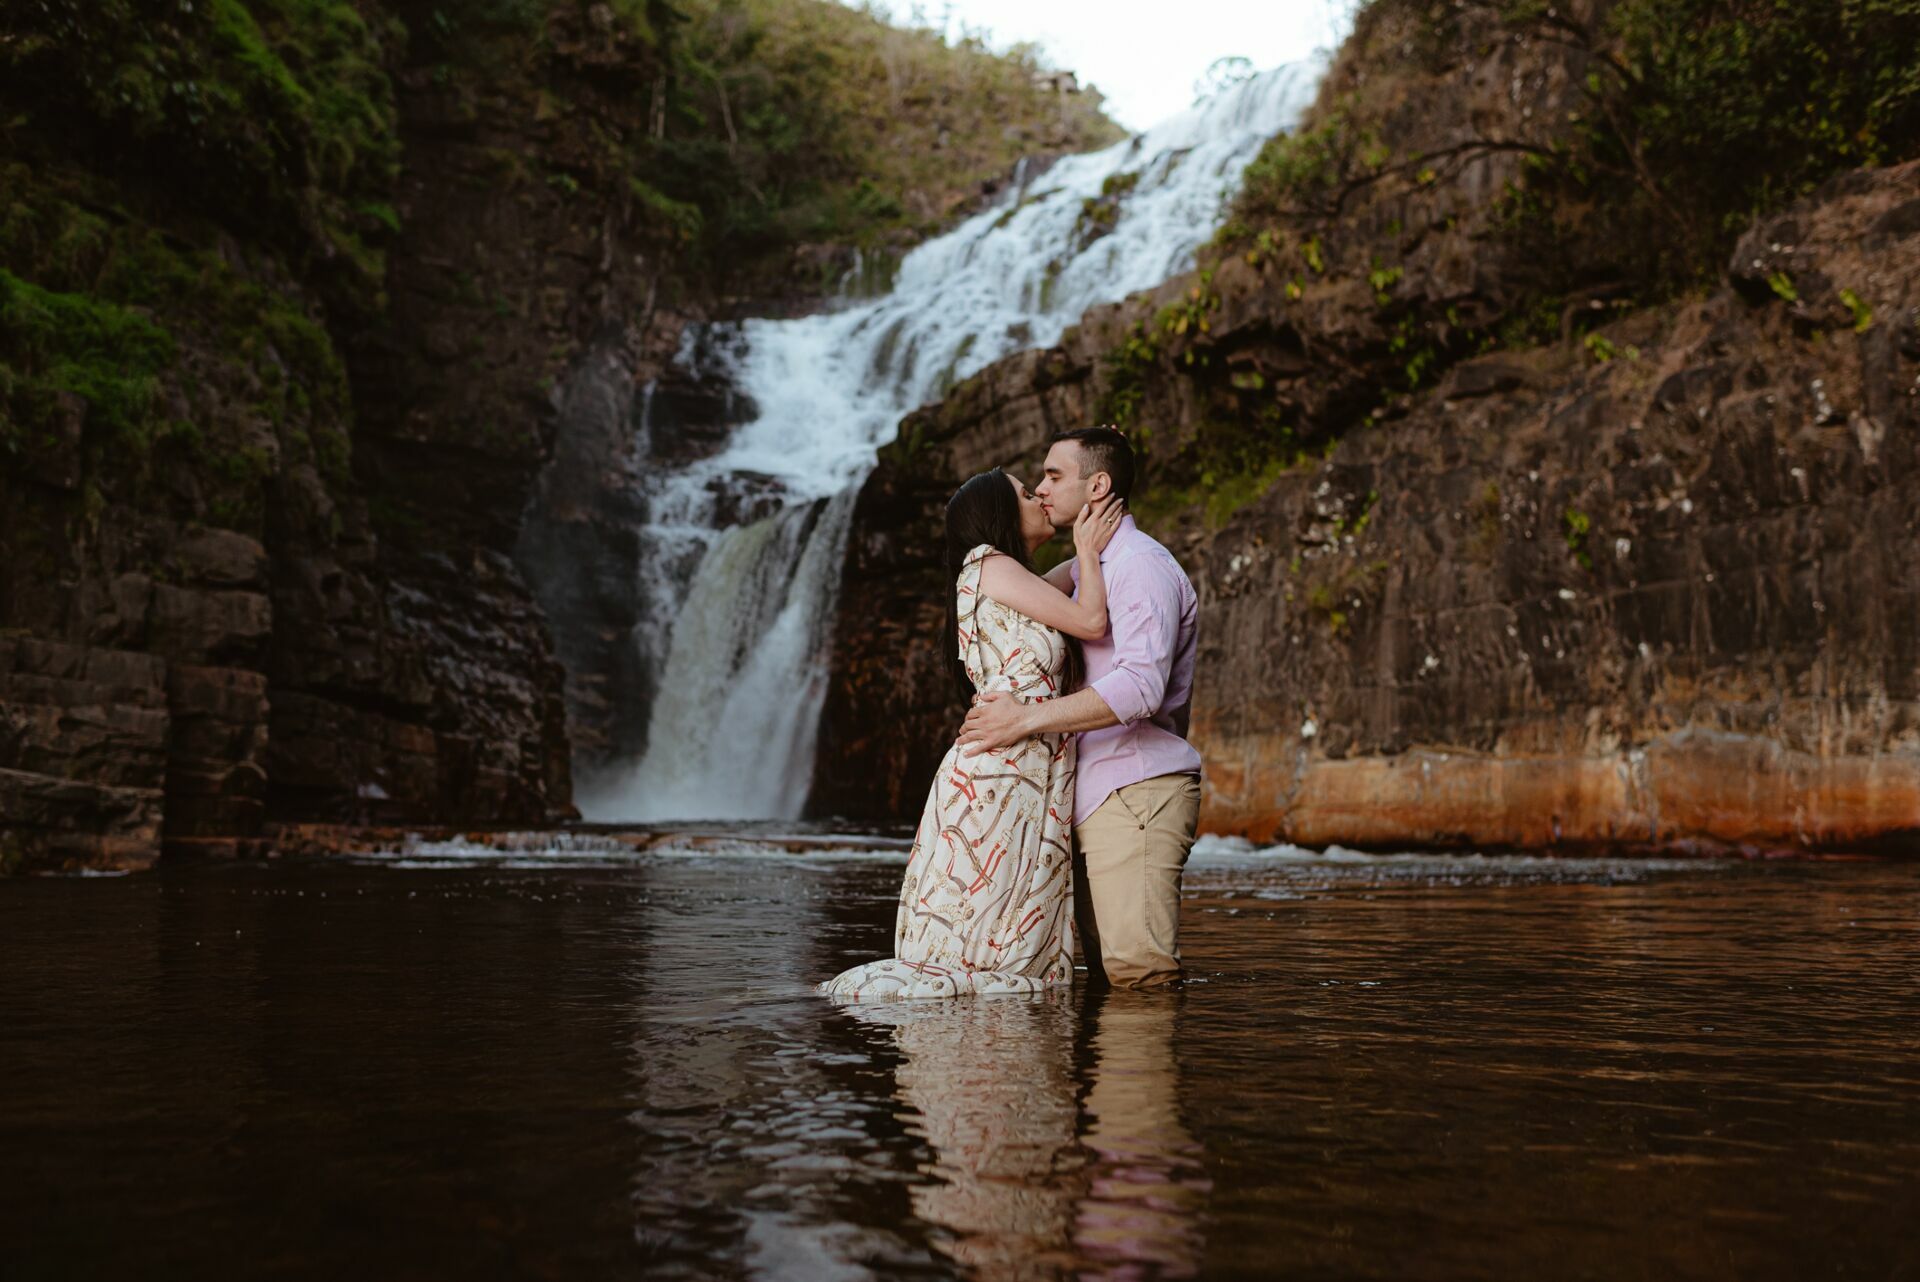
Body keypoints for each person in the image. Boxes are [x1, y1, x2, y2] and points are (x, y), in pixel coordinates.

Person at [821, 467, 1125, 999]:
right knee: (981, 912)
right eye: (1028, 494)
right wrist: (1089, 549)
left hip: (1026, 763)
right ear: (1000, 515)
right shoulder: (989, 562)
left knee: (1006, 909)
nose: (1041, 499)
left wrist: (1094, 547)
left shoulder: (1007, 578)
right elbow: (1092, 621)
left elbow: (1067, 583)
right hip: (1001, 769)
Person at [959, 427, 1202, 989]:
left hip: (1134, 790)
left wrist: (1023, 719)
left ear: (1097, 486)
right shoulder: (1088, 570)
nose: (1042, 489)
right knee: (1103, 980)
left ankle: (1138, 1078)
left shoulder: (1139, 566)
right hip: (1085, 796)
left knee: (1139, 976)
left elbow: (1142, 687)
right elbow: (1013, 602)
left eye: (1053, 476)